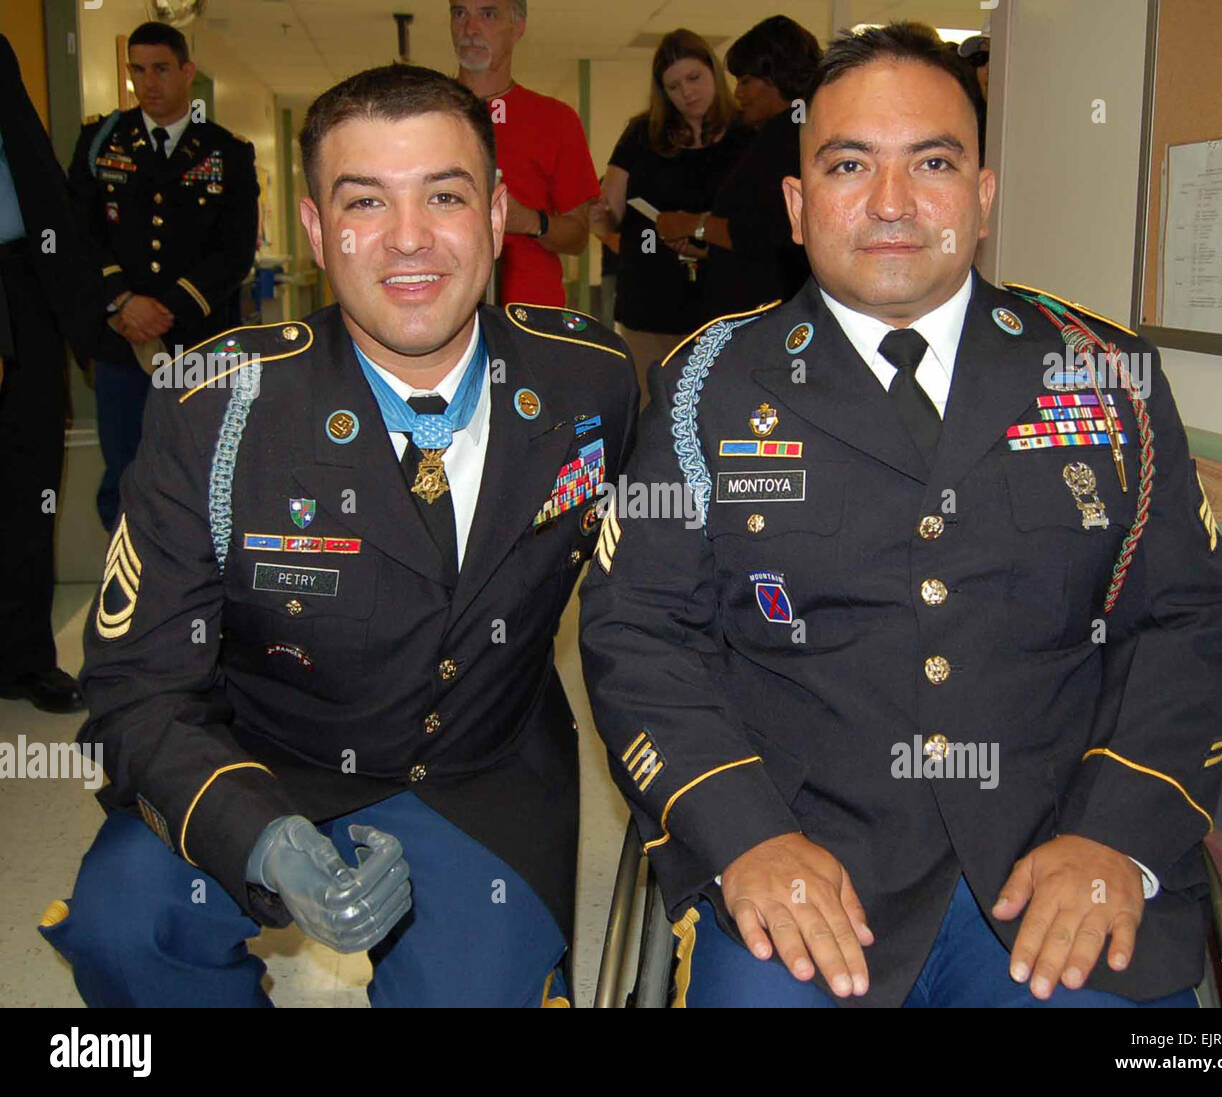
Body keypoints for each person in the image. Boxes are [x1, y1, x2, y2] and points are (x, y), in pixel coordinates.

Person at [579, 22, 1222, 1008]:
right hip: (802, 865)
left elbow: (1187, 617)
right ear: (799, 208)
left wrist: (1117, 831)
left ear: (979, 198)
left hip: (1060, 862)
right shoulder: (703, 385)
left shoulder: (1104, 372)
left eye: (931, 162)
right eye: (850, 165)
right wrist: (742, 831)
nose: (892, 203)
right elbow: (639, 631)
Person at [39, 64, 639, 1008]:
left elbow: (655, 608)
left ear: (495, 216)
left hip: (480, 770)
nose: (409, 239)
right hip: (271, 756)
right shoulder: (218, 407)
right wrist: (260, 836)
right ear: (318, 231)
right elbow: (135, 685)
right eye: (366, 200)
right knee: (126, 927)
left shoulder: (589, 381)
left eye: (445, 194)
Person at [68, 21, 259, 533]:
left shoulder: (225, 151)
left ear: (187, 72)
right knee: (125, 469)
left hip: (197, 340)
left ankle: (202, 589)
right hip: (122, 341)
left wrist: (168, 306)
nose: (148, 82)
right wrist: (123, 302)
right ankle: (130, 594)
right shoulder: (102, 142)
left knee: (203, 466)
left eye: (160, 69)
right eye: (137, 69)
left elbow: (235, 251)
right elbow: (79, 236)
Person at [0, 36, 100, 713]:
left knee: (28, 483)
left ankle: (25, 657)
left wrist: (86, 324)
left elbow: (41, 186)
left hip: (21, 293)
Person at [592, 29, 749, 406]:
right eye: (674, 86)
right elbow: (607, 213)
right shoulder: (641, 134)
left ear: (713, 71)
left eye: (694, 78)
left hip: (725, 309)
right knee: (654, 416)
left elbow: (756, 227)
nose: (687, 93)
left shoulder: (746, 134)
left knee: (720, 415)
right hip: (649, 306)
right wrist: (604, 221)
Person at [657, 16, 822, 323]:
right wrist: (710, 250)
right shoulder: (785, 132)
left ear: (778, 76)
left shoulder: (790, 136)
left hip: (769, 320)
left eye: (746, 81)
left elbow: (771, 231)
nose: (738, 94)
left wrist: (695, 225)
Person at [450, 0, 599, 306]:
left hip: (529, 318)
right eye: (459, 12)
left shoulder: (556, 120)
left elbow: (577, 237)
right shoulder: (421, 114)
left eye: (488, 14)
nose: (470, 29)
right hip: (444, 313)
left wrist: (530, 221)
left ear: (518, 27)